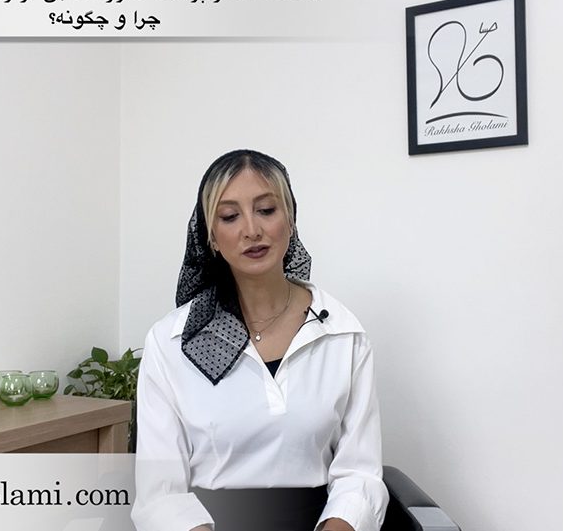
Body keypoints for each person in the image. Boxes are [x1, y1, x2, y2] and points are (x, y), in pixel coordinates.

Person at [131, 150, 388, 531]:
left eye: (266, 210)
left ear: (291, 219)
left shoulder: (341, 333)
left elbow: (359, 475)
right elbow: (160, 494)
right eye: (229, 216)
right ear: (211, 236)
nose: (251, 230)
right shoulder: (170, 342)